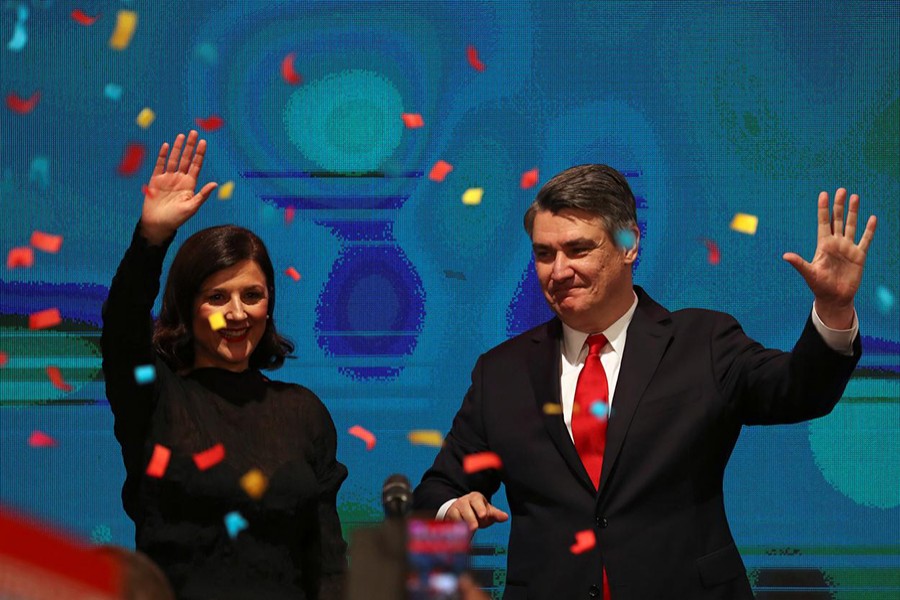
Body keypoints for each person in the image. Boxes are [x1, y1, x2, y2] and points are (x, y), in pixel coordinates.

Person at [412, 164, 876, 599]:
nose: (559, 271)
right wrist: (452, 509)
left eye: (578, 249)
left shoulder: (703, 342)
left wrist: (834, 310)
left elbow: (800, 391)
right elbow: (435, 491)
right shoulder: (502, 372)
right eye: (544, 254)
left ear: (629, 244)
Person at [101, 131, 348, 600]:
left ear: (269, 306)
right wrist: (152, 239)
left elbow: (329, 561)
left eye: (251, 296)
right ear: (187, 307)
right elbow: (122, 330)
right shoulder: (155, 398)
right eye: (217, 298)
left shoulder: (302, 412)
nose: (237, 314)